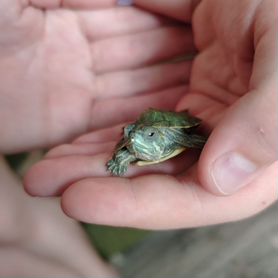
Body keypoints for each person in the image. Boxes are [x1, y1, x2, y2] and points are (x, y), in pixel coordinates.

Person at [0, 0, 276, 275]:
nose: (130, 139)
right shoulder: (132, 143)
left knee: (21, 222)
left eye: (139, 135)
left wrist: (207, 145)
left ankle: (73, 254)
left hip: (168, 121)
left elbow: (189, 135)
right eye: (128, 135)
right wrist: (120, 158)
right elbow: (126, 146)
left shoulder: (169, 137)